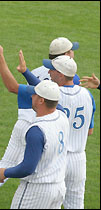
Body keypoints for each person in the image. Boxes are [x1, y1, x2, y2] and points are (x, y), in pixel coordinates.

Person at [0, 40, 82, 209]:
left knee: (6, 162)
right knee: (47, 164)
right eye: (71, 51)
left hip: (25, 122)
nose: (73, 53)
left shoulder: (37, 72)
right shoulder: (71, 78)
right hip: (50, 124)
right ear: (66, 55)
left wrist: (2, 59)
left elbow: (14, 87)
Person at [0, 79, 70, 208]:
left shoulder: (36, 131)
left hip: (36, 192)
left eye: (35, 94)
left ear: (41, 100)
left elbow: (27, 168)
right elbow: (55, 102)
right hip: (58, 188)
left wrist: (5, 172)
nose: (32, 96)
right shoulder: (62, 115)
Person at [40, 56, 95, 209]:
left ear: (61, 75)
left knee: (49, 202)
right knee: (76, 204)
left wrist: (24, 71)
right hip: (78, 160)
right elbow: (90, 131)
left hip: (57, 158)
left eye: (52, 69)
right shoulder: (87, 95)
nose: (49, 72)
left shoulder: (53, 95)